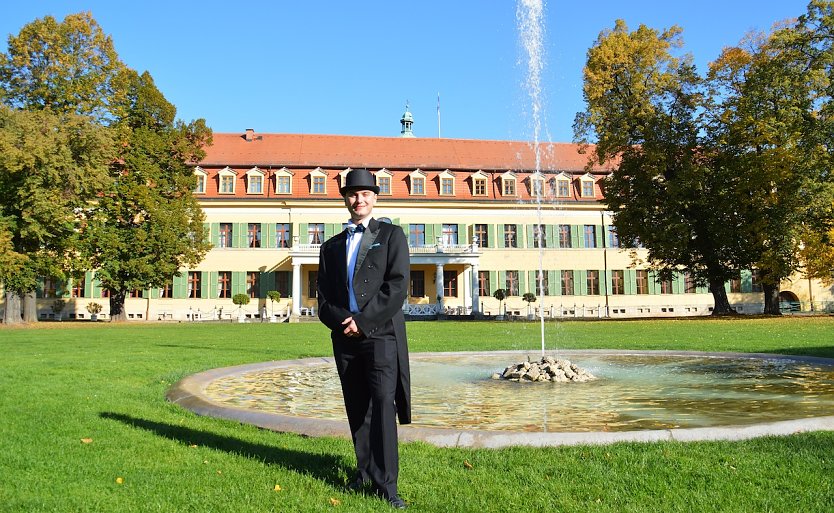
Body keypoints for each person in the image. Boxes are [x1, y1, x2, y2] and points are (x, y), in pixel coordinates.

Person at [317, 168, 411, 509]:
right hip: (345, 336)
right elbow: (323, 298)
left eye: (366, 194)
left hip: (381, 334)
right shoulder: (330, 246)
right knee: (357, 406)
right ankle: (364, 473)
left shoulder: (391, 235)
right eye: (353, 194)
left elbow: (397, 287)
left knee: (383, 404)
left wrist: (363, 321)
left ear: (375, 198)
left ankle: (387, 484)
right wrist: (344, 321)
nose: (359, 199)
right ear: (345, 198)